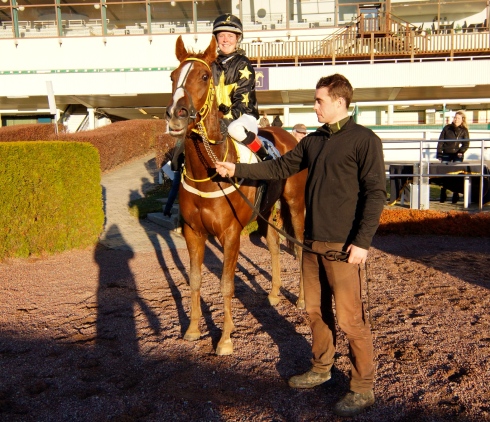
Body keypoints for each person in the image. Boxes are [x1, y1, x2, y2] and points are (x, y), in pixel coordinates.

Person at [215, 73, 386, 418]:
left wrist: (362, 243)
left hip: (343, 246)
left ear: (340, 102)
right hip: (311, 243)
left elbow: (376, 194)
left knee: (351, 320)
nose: (315, 106)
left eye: (319, 100)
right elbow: (279, 166)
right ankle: (322, 368)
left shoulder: (365, 140)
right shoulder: (314, 141)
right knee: (315, 311)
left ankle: (362, 387)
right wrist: (236, 169)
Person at [211, 13, 271, 161]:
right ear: (216, 39)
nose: (225, 40)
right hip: (215, 118)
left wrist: (226, 116)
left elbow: (242, 98)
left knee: (234, 129)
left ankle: (265, 157)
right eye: (221, 35)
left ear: (237, 39)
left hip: (243, 116)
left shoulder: (243, 63)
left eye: (230, 36)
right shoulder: (210, 64)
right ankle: (176, 178)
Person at [436, 110, 470, 203]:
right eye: (455, 117)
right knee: (444, 175)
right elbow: (440, 141)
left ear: (462, 120)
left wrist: (461, 151)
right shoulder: (447, 128)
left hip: (457, 155)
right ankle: (443, 193)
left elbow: (466, 144)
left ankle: (456, 193)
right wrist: (439, 153)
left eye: (458, 118)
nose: (455, 119)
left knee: (457, 175)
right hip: (446, 153)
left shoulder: (464, 130)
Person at [162, 140, 184, 218]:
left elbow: (175, 152)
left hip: (177, 168)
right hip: (181, 168)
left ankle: (167, 209)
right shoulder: (186, 139)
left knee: (174, 189)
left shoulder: (179, 140)